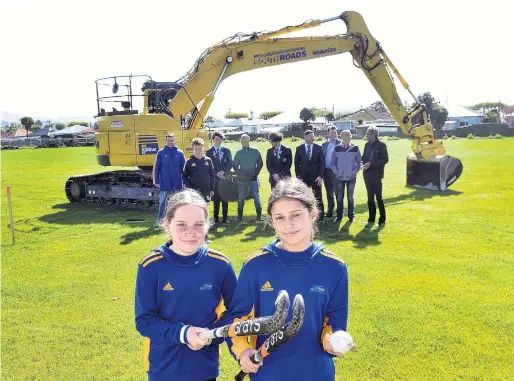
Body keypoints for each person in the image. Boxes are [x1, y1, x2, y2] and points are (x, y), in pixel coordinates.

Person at [226, 177, 351, 381]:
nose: (288, 225)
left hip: (317, 374)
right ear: (271, 220)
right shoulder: (255, 266)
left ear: (312, 215)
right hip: (268, 374)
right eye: (279, 218)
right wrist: (243, 352)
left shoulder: (334, 267)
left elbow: (334, 323)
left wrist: (331, 341)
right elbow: (238, 322)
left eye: (295, 215)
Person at [134, 189, 238, 381]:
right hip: (163, 368)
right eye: (181, 225)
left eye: (198, 225)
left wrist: (212, 334)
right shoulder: (151, 265)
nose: (191, 232)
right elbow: (144, 321)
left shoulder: (220, 264)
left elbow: (238, 311)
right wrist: (183, 333)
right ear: (166, 224)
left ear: (207, 226)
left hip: (204, 367)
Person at [153, 133, 186, 224]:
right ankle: (159, 221)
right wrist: (156, 180)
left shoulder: (180, 153)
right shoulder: (161, 153)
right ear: (166, 141)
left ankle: (178, 221)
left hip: (177, 182)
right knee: (162, 202)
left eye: (172, 140)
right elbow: (157, 168)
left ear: (174, 141)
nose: (170, 142)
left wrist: (185, 181)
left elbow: (184, 169)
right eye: (168, 141)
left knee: (178, 202)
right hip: (164, 182)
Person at [294, 129, 325, 222]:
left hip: (316, 178)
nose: (313, 138)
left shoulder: (319, 148)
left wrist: (320, 176)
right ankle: (305, 216)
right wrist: (298, 177)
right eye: (311, 136)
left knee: (318, 197)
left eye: (313, 136)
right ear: (305, 137)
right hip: (303, 178)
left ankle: (320, 217)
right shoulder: (299, 148)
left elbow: (322, 163)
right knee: (303, 198)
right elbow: (296, 164)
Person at [330, 130, 361, 223]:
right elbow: (332, 163)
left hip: (351, 177)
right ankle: (339, 216)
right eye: (346, 135)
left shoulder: (355, 148)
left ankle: (351, 217)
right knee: (339, 197)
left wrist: (354, 172)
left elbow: (359, 162)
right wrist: (337, 172)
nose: (348, 137)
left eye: (349, 135)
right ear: (342, 137)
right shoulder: (336, 148)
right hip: (339, 178)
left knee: (350, 198)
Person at [361, 126, 389, 227]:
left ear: (373, 134)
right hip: (367, 175)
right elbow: (364, 157)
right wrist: (362, 163)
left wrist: (371, 164)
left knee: (379, 197)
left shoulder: (381, 145)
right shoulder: (366, 145)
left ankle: (382, 220)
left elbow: (385, 159)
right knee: (370, 198)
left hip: (377, 175)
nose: (366, 135)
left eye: (368, 133)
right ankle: (371, 219)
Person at [233, 134, 264, 222]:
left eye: (245, 141)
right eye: (242, 141)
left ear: (248, 141)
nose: (243, 143)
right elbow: (235, 165)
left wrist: (255, 173)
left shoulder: (255, 151)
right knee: (241, 198)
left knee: (256, 197)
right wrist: (239, 174)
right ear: (240, 142)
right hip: (242, 179)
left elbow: (260, 163)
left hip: (253, 179)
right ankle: (239, 217)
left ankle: (259, 216)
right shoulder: (238, 153)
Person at [206, 131, 233, 224]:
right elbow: (208, 166)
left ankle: (225, 219)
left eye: (220, 139)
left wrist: (224, 172)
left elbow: (230, 163)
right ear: (213, 140)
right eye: (216, 139)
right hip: (215, 179)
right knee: (216, 200)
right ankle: (216, 219)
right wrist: (216, 173)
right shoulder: (208, 152)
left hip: (225, 178)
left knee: (225, 199)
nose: (218, 141)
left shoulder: (227, 150)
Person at [183, 137, 215, 202]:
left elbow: (212, 175)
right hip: (194, 191)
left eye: (200, 148)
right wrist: (190, 188)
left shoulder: (208, 160)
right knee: (195, 207)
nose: (198, 150)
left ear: (203, 148)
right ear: (193, 149)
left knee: (205, 208)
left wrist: (212, 189)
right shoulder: (189, 161)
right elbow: (184, 176)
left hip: (206, 190)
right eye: (196, 149)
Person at [321, 126, 342, 218]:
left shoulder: (341, 144)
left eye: (335, 132)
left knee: (338, 192)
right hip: (326, 172)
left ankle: (340, 212)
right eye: (332, 133)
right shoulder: (324, 145)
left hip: (336, 172)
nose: (333, 134)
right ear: (328, 134)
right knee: (329, 192)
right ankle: (330, 211)